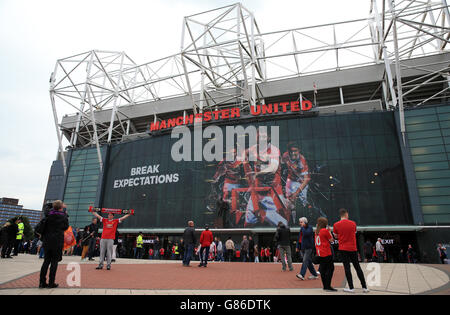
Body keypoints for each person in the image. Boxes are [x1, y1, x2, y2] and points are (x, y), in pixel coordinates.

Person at [332, 208, 369, 293]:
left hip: (343, 248)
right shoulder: (353, 223)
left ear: (340, 215)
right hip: (353, 248)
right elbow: (354, 233)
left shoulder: (336, 224)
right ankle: (364, 287)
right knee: (357, 267)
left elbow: (336, 236)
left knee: (347, 268)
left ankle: (351, 288)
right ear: (346, 214)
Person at [39, 200, 69, 288]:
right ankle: (51, 282)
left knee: (46, 261)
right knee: (54, 262)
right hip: (57, 241)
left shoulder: (48, 214)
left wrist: (55, 204)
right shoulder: (63, 216)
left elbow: (46, 206)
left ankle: (42, 282)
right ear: (61, 207)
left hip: (47, 240)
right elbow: (65, 227)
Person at [314, 217, 336, 292]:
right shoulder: (324, 231)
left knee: (323, 270)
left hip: (319, 253)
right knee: (330, 269)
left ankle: (325, 286)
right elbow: (331, 240)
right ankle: (328, 285)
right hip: (326, 252)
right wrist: (329, 231)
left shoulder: (317, 231)